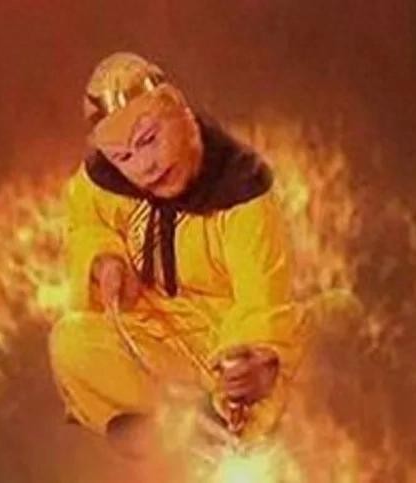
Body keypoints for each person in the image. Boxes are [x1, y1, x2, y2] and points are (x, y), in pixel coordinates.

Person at [48, 52, 302, 457]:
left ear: (180, 114)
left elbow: (262, 300)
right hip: (154, 335)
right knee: (70, 341)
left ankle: (208, 427)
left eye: (149, 140)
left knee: (290, 364)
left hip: (223, 343)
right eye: (124, 157)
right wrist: (105, 260)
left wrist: (254, 361)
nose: (144, 167)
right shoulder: (106, 180)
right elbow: (86, 224)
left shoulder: (241, 192)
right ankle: (176, 429)